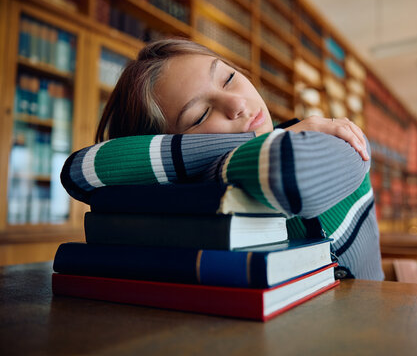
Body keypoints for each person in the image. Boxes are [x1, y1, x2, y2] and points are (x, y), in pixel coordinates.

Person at [61, 38, 384, 280]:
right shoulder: (221, 173)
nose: (237, 104)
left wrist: (204, 161)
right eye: (200, 115)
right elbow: (83, 171)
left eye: (229, 78)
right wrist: (219, 160)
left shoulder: (335, 139)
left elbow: (290, 168)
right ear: (163, 142)